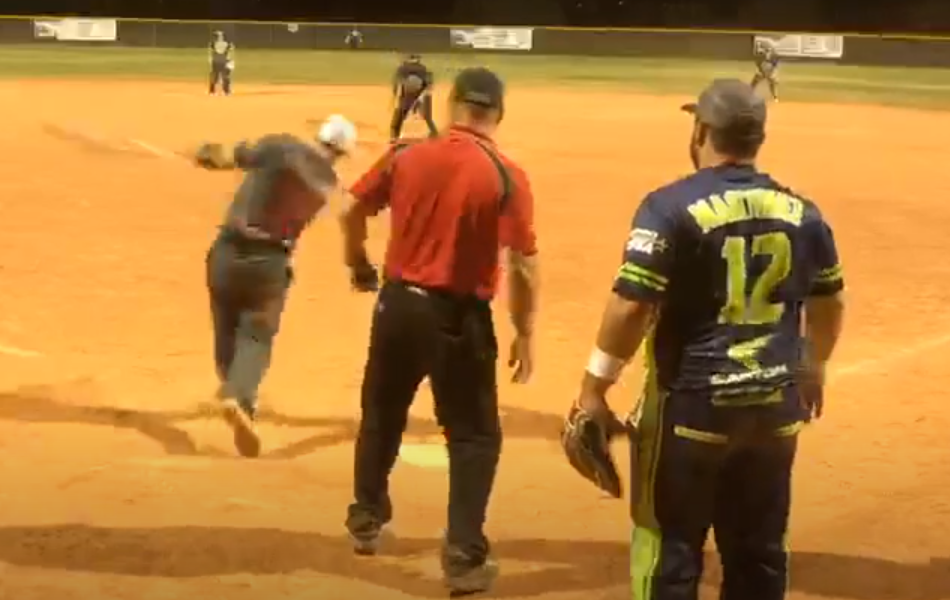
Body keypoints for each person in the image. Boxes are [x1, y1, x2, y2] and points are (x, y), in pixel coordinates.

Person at [569, 79, 847, 600]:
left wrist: (594, 388)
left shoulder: (668, 207)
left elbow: (632, 305)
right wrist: (812, 363)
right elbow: (829, 304)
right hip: (774, 408)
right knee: (759, 552)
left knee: (669, 549)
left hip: (693, 408)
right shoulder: (804, 213)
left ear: (701, 131)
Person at [339, 67, 539, 596]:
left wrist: (357, 263)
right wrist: (524, 331)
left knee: (382, 413)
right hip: (458, 318)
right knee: (474, 436)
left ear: (452, 105)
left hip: (397, 307)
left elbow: (351, 209)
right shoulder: (505, 174)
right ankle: (463, 556)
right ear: (498, 113)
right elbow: (522, 265)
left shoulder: (406, 154)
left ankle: (365, 518)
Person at [192, 114, 358, 457]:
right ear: (342, 152)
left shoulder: (280, 146)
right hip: (269, 263)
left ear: (319, 136)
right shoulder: (327, 184)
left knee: (226, 328)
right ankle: (239, 395)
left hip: (227, 254)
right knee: (256, 336)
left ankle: (237, 394)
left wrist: (206, 153)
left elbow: (230, 155)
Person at [389, 53, 440, 142]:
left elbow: (397, 83)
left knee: (400, 113)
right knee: (427, 116)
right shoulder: (423, 68)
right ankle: (434, 133)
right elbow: (429, 85)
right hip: (421, 94)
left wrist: (395, 94)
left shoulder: (402, 68)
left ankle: (394, 135)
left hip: (408, 95)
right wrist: (422, 98)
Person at [209, 30, 235, 96]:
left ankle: (224, 91)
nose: (219, 37)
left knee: (222, 76)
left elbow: (230, 53)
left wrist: (230, 61)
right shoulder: (214, 44)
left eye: (219, 36)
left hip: (221, 61)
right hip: (218, 61)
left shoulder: (214, 44)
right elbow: (211, 53)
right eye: (218, 36)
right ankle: (216, 91)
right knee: (217, 76)